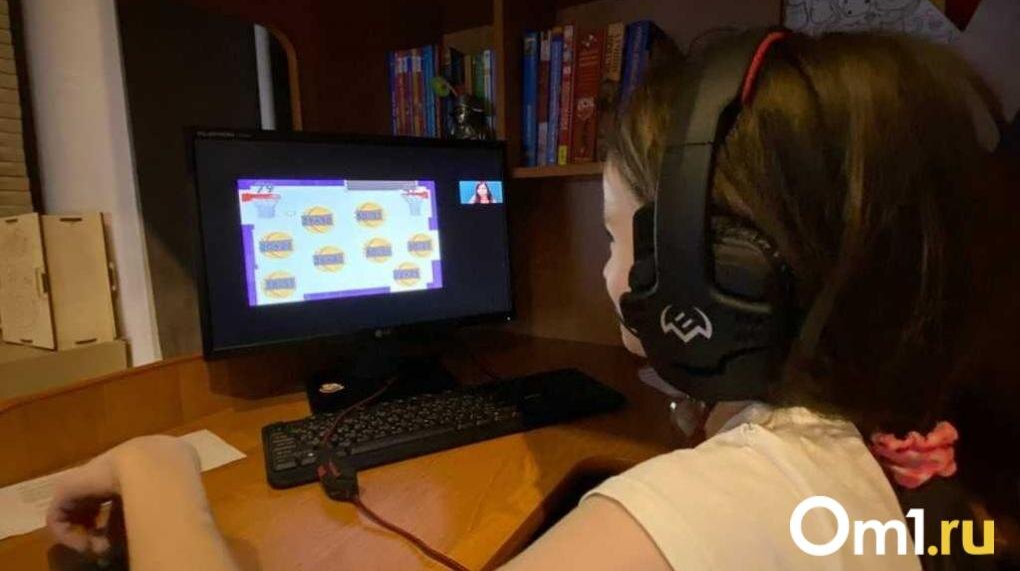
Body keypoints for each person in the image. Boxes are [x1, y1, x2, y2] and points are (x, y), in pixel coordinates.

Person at [47, 31, 1013, 571]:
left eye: (615, 238)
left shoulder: (708, 512)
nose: (605, 271)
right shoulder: (878, 455)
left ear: (713, 275)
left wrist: (156, 465)